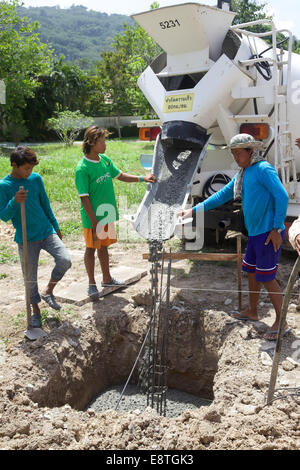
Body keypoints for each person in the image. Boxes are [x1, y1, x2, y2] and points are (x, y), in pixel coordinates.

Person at [179, 133, 290, 341]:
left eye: (238, 153)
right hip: (256, 233)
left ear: (250, 151)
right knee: (251, 271)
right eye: (233, 153)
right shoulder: (243, 173)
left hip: (268, 233)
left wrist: (276, 228)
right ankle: (252, 310)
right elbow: (222, 195)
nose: (236, 157)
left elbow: (282, 196)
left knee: (267, 277)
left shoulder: (263, 169)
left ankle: (282, 321)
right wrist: (193, 210)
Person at [75, 126, 157, 299]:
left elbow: (120, 175)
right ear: (92, 143)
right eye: (102, 141)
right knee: (91, 248)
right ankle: (91, 284)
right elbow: (84, 198)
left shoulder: (104, 160)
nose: (105, 144)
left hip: (106, 214)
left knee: (104, 247)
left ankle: (107, 278)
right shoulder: (82, 168)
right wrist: (94, 221)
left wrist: (142, 178)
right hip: (93, 218)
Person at [0, 146, 72, 328]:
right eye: (26, 168)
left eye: (31, 168)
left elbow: (45, 204)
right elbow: (4, 215)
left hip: (46, 231)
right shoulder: (4, 186)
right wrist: (14, 201)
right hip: (26, 237)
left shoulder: (35, 179)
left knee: (65, 260)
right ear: (14, 165)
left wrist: (56, 226)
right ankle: (36, 311)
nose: (29, 172)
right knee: (30, 277)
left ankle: (48, 291)